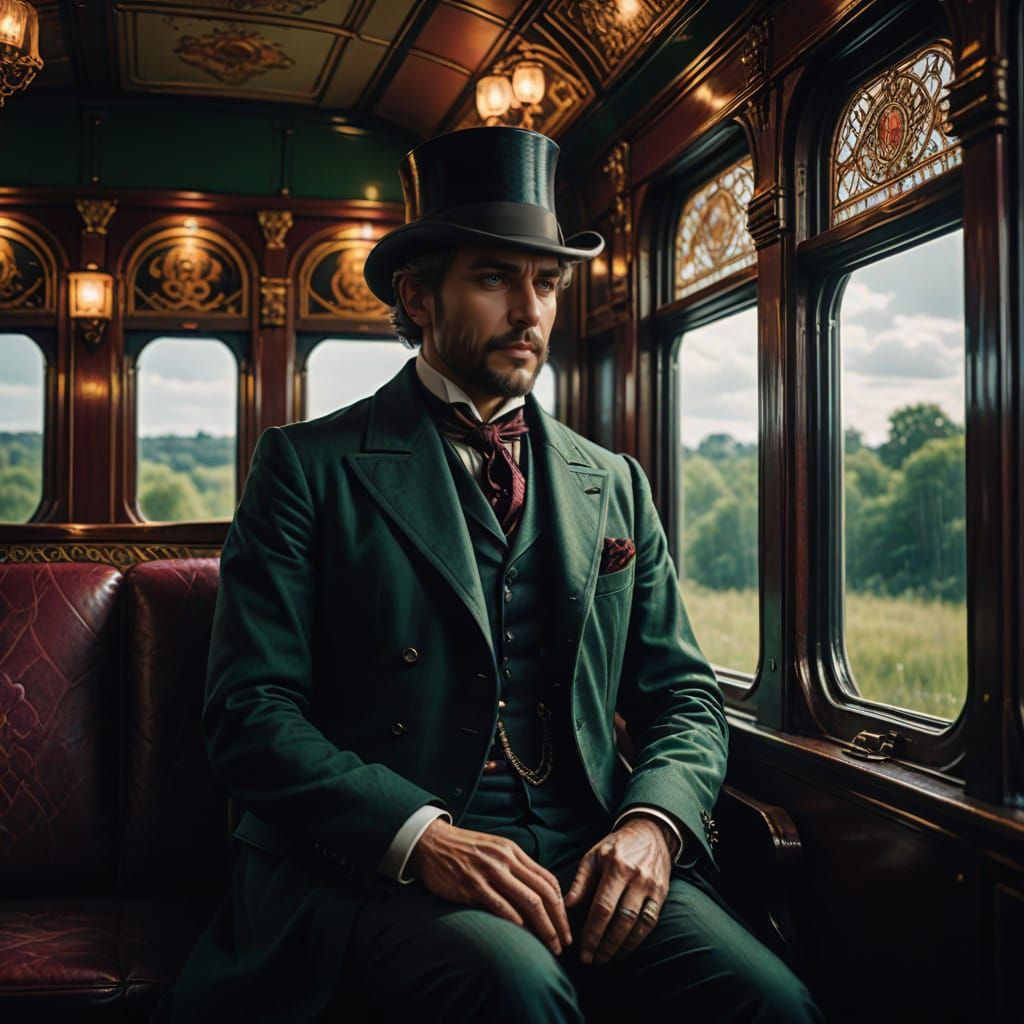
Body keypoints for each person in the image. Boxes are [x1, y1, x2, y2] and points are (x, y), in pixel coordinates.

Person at [158, 126, 820, 1023]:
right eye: (494, 278)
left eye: (545, 283)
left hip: (589, 849)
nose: (531, 311)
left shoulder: (613, 481)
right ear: (418, 296)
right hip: (375, 864)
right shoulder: (307, 467)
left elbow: (684, 697)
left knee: (774, 1004)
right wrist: (421, 837)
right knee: (515, 988)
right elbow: (250, 714)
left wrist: (651, 824)